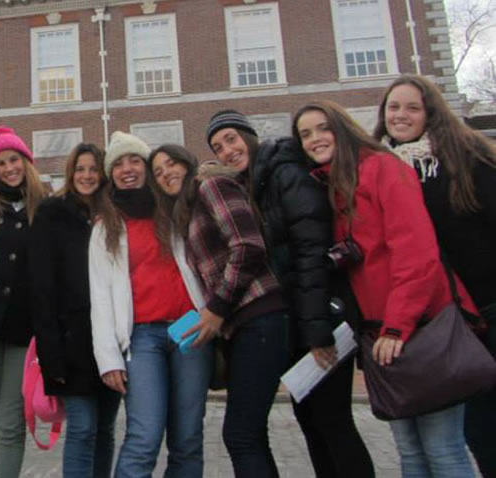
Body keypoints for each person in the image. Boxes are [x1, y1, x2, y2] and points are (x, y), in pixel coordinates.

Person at [293, 99, 476, 477]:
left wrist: (397, 325)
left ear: (342, 128)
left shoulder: (382, 168)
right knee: (408, 449)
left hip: (419, 326)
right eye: (305, 134)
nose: (315, 139)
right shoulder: (333, 186)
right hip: (378, 334)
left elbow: (416, 253)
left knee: (442, 448)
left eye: (323, 128)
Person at [206, 110, 373, 477]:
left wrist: (317, 331)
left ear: (249, 135)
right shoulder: (254, 183)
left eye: (231, 139)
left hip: (322, 315)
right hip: (299, 318)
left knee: (333, 422)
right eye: (218, 147)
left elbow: (312, 255)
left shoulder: (285, 173)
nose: (228, 150)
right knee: (311, 420)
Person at [373, 75, 496, 476]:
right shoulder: (381, 168)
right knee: (477, 431)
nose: (401, 115)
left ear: (431, 113)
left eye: (412, 107)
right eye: (393, 107)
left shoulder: (467, 158)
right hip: (448, 317)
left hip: (487, 305)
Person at [148, 142, 289, 478]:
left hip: (260, 315)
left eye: (171, 164)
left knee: (241, 435)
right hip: (241, 325)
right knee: (250, 434)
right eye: (158, 172)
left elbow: (248, 246)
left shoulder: (210, 186)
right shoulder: (187, 210)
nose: (166, 173)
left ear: (187, 162)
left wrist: (217, 307)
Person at [88, 132, 212, 478]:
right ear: (111, 175)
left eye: (135, 161)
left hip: (191, 329)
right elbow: (100, 296)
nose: (127, 169)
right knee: (144, 436)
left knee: (188, 438)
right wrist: (108, 359)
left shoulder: (175, 210)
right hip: (141, 339)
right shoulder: (106, 227)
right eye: (118, 164)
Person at [29, 143, 121, 478]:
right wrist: (50, 353)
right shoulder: (51, 213)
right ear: (71, 172)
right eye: (80, 169)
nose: (87, 176)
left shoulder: (113, 214)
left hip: (109, 340)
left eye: (93, 169)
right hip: (70, 343)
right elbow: (42, 287)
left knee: (105, 429)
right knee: (82, 428)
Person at [0, 126, 47, 478]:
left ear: (26, 161)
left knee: (11, 419)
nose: (8, 169)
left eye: (13, 160)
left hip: (23, 325)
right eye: (0, 163)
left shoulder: (44, 206)